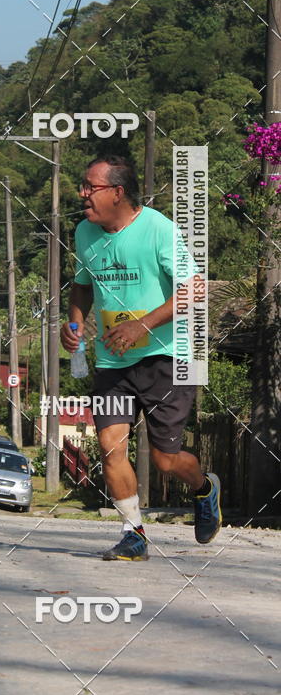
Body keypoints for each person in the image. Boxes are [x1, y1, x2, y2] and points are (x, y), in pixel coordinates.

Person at [61, 155, 222, 561]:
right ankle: (133, 533)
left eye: (89, 187)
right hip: (114, 363)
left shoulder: (158, 229)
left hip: (166, 357)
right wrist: (75, 325)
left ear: (117, 192)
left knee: (166, 460)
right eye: (82, 186)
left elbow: (196, 290)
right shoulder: (84, 233)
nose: (82, 194)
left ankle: (204, 488)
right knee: (110, 446)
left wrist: (142, 326)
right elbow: (81, 286)